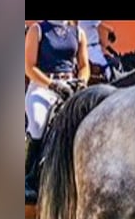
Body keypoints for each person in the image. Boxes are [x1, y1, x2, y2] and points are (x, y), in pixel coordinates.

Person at [24, 20, 89, 204]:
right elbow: (29, 67)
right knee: (37, 123)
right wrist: (52, 85)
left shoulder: (77, 32)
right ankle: (28, 178)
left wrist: (81, 82)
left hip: (70, 85)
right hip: (42, 87)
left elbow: (84, 66)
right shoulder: (37, 30)